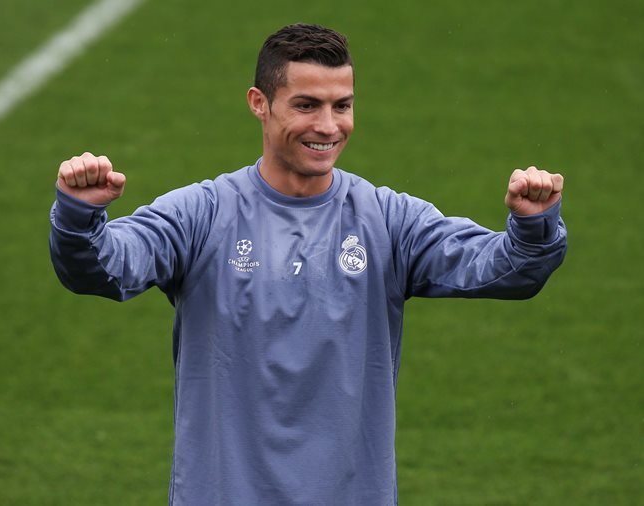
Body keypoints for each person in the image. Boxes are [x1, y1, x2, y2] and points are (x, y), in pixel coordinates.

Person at [49, 23, 566, 506]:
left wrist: (534, 226)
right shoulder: (201, 214)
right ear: (259, 103)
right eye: (306, 105)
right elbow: (105, 269)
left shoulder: (388, 219)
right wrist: (79, 216)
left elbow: (506, 269)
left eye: (342, 105)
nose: (328, 126)